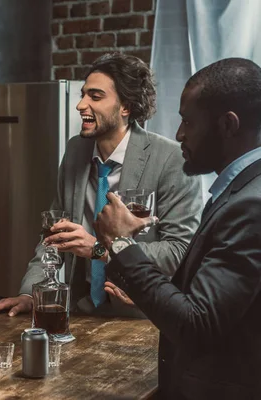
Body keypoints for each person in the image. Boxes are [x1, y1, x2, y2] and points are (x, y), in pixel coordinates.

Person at [0, 53, 202, 318]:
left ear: (126, 106)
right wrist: (30, 294)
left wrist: (99, 249)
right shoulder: (75, 150)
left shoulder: (171, 159)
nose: (81, 104)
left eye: (95, 97)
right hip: (80, 311)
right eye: (83, 95)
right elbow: (53, 234)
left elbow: (179, 251)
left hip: (142, 316)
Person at [94, 58, 261, 399]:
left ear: (228, 125)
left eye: (188, 121)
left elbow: (197, 325)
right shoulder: (241, 190)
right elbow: (216, 301)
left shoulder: (250, 205)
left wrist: (121, 243)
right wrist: (148, 291)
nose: (179, 133)